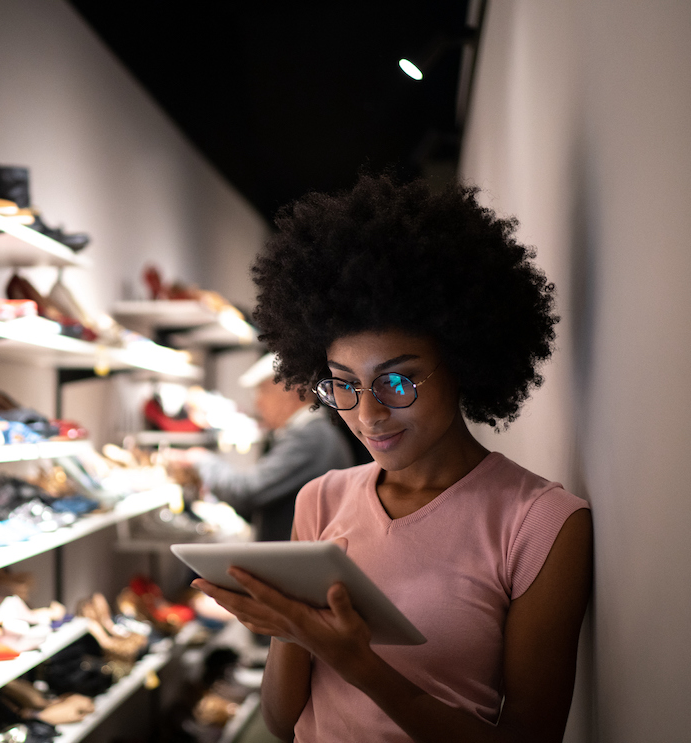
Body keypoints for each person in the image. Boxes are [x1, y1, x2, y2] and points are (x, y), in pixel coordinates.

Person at [193, 174, 593, 742]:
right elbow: (283, 724)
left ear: (463, 361)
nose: (369, 414)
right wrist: (291, 628)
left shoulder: (541, 523)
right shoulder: (322, 499)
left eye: (397, 381)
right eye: (343, 385)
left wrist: (359, 664)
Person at [183, 351, 356, 542]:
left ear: (294, 390)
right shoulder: (313, 433)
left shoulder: (310, 438)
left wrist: (201, 461)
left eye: (263, 391)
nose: (257, 401)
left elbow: (247, 492)